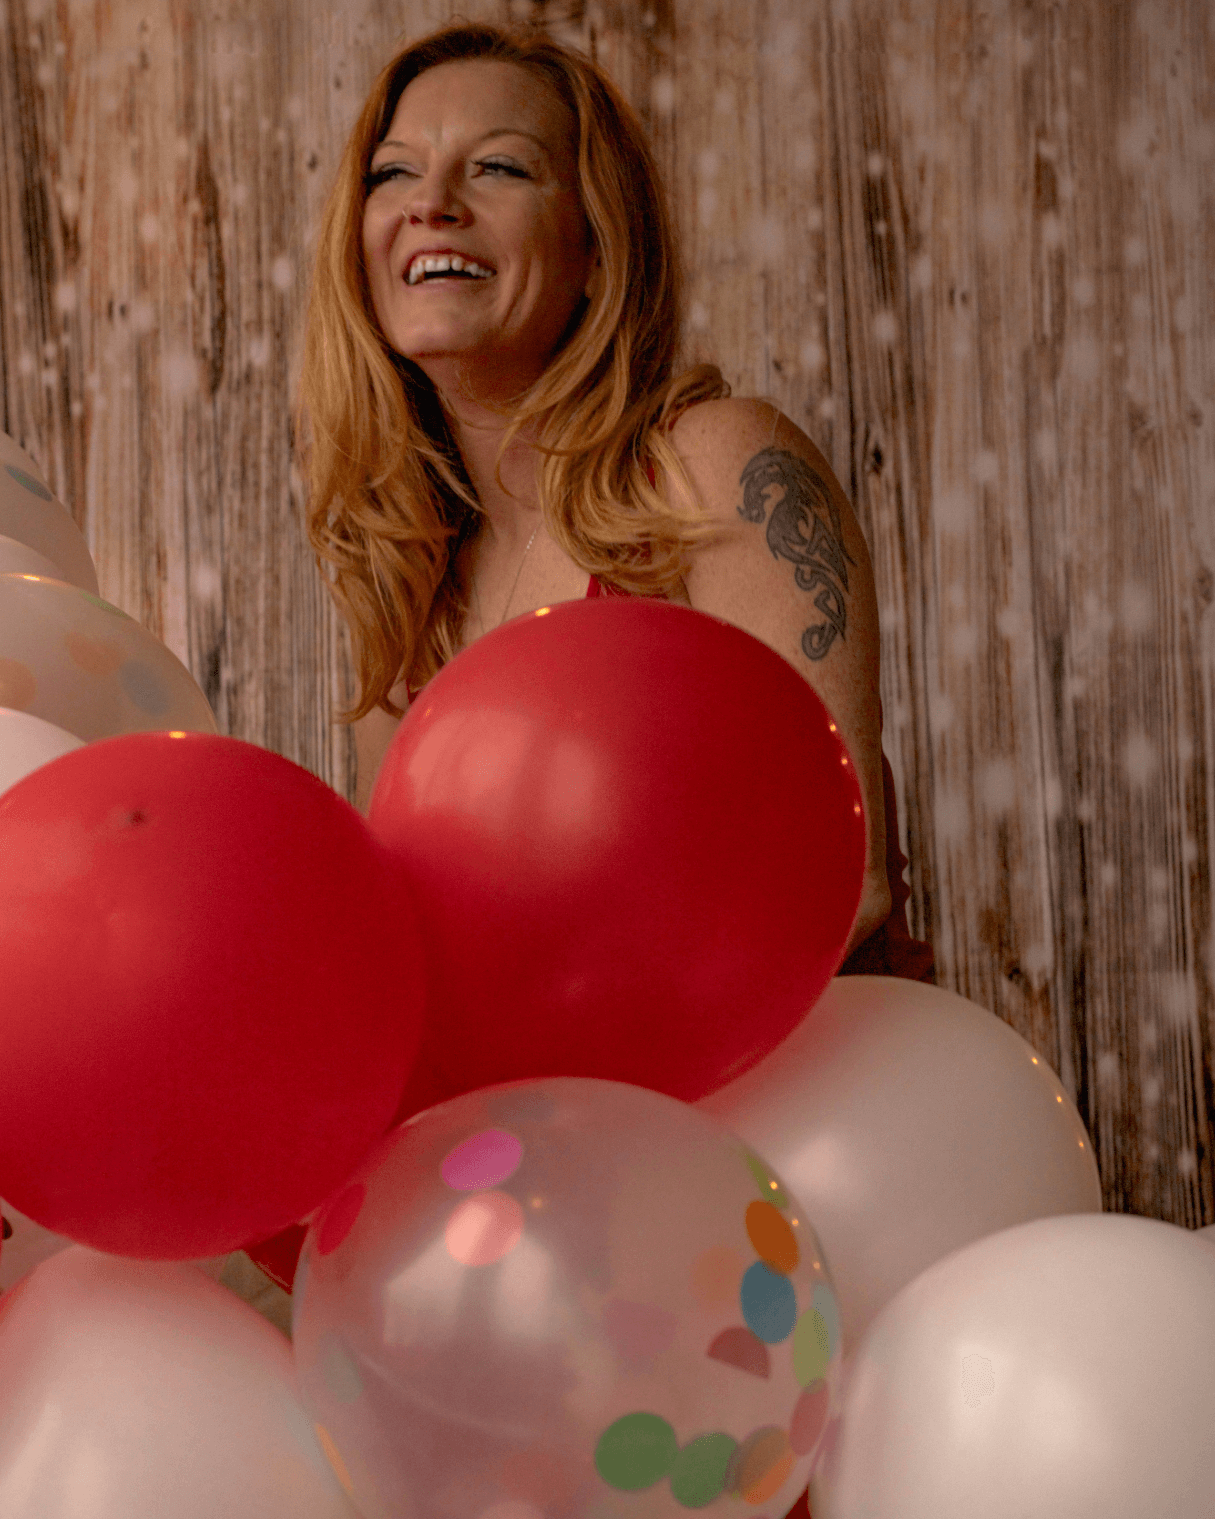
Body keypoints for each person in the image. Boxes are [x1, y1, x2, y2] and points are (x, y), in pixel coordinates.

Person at [292, 18, 933, 982]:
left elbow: (841, 884)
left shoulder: (715, 466)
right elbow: (413, 954)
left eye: (498, 169)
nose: (431, 204)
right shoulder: (410, 584)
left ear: (597, 248)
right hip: (550, 1124)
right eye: (394, 173)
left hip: (776, 1117)